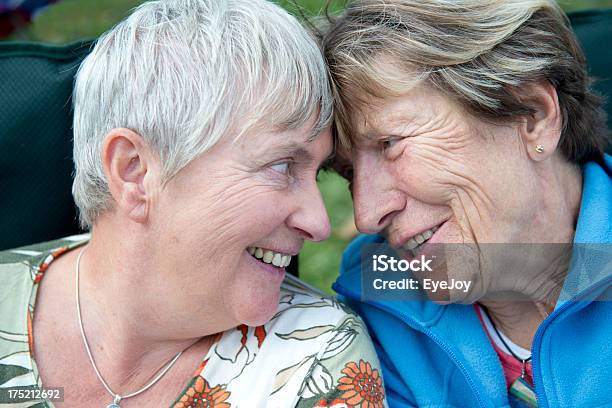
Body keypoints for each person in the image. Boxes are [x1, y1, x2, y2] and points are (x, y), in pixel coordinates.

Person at [0, 1, 388, 407]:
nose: (320, 223)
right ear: (135, 171)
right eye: (281, 165)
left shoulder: (314, 359)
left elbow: (458, 271)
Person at [321, 0, 611, 407]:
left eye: (390, 144)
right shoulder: (373, 311)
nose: (367, 214)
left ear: (532, 115)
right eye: (350, 173)